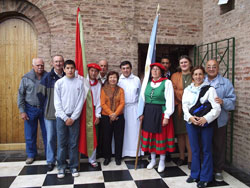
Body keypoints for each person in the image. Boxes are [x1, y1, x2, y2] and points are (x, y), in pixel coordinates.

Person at [182, 65, 221, 188]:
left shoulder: (210, 89)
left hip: (206, 124)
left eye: (200, 74)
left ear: (203, 75)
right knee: (195, 149)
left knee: (206, 150)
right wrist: (190, 118)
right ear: (192, 76)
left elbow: (216, 108)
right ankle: (195, 174)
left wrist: (205, 119)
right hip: (191, 122)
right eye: (195, 74)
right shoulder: (187, 90)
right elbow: (184, 106)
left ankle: (206, 177)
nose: (198, 76)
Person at [54, 60, 87, 178]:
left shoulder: (79, 83)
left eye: (72, 68)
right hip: (61, 118)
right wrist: (64, 117)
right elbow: (57, 103)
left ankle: (73, 166)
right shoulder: (59, 83)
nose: (70, 70)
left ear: (75, 69)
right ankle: (61, 167)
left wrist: (73, 117)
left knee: (73, 143)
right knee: (62, 143)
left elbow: (80, 102)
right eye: (67, 68)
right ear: (64, 69)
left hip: (74, 117)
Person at [140, 63, 175, 173]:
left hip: (160, 112)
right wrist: (141, 113)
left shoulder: (167, 83)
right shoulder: (147, 83)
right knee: (151, 137)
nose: (154, 71)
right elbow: (142, 99)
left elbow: (170, 100)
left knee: (161, 137)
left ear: (161, 72)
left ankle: (162, 161)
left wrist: (167, 116)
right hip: (149, 112)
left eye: (157, 69)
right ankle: (153, 160)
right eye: (153, 69)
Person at [204, 59, 236, 182]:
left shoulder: (226, 83)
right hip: (204, 119)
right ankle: (206, 168)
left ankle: (218, 170)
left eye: (214, 66)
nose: (211, 69)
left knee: (219, 145)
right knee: (205, 145)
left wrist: (223, 102)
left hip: (219, 120)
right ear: (206, 68)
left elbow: (232, 101)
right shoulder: (202, 80)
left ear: (218, 68)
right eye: (209, 66)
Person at [37, 55, 64, 171]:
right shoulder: (47, 77)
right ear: (52, 63)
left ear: (63, 63)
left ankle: (61, 160)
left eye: (60, 61)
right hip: (50, 115)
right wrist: (47, 106)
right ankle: (50, 160)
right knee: (50, 138)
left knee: (62, 139)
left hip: (63, 114)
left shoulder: (66, 76)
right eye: (56, 62)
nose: (58, 64)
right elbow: (40, 94)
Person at [17, 58, 47, 164]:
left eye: (42, 65)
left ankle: (49, 155)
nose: (40, 67)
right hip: (30, 109)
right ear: (33, 66)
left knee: (47, 133)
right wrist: (22, 111)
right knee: (30, 134)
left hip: (44, 109)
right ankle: (31, 155)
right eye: (38, 65)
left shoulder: (47, 77)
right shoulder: (26, 78)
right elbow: (20, 95)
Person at [171, 55, 192, 169]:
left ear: (189, 63)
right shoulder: (175, 76)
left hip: (192, 109)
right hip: (179, 109)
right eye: (181, 62)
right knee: (180, 134)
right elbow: (173, 90)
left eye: (185, 62)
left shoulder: (194, 75)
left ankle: (190, 158)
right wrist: (186, 94)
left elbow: (196, 90)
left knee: (189, 134)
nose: (183, 64)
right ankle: (181, 157)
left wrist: (183, 94)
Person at [100, 71, 125, 166]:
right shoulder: (103, 90)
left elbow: (122, 103)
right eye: (110, 77)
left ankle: (118, 157)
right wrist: (111, 114)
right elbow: (102, 103)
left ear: (117, 79)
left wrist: (115, 114)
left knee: (119, 138)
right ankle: (107, 157)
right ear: (108, 79)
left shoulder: (121, 90)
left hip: (119, 116)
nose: (112, 79)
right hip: (106, 117)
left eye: (114, 77)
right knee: (107, 138)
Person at [118, 61, 142, 157]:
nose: (126, 70)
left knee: (134, 131)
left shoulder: (136, 79)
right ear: (121, 70)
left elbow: (140, 95)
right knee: (124, 131)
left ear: (131, 68)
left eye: (127, 68)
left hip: (134, 108)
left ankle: (135, 152)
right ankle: (124, 152)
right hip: (122, 109)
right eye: (123, 68)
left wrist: (140, 111)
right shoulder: (119, 80)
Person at [86, 63, 102, 167]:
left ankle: (92, 158)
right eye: (92, 70)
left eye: (96, 71)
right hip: (83, 111)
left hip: (93, 110)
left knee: (93, 135)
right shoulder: (82, 82)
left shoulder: (98, 84)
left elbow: (99, 100)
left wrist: (98, 115)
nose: (93, 73)